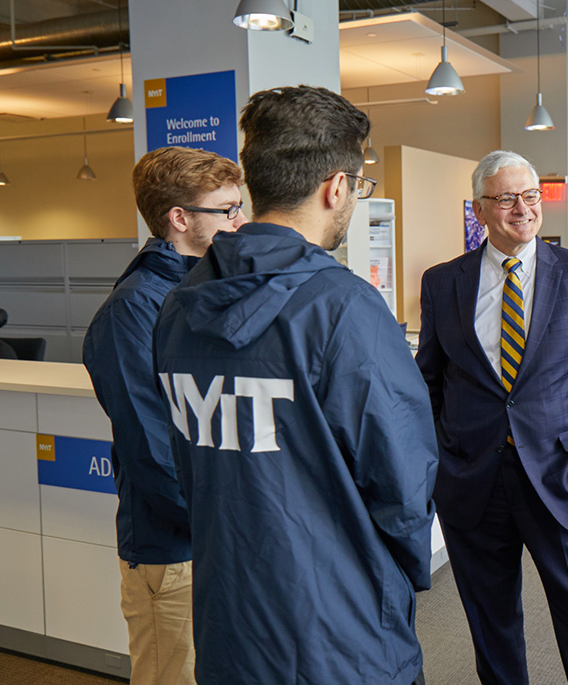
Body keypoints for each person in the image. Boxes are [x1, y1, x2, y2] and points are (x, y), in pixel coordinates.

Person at [152, 86, 437, 685]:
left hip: (231, 623)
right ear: (336, 186)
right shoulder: (344, 306)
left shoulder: (179, 305)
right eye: (358, 187)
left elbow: (188, 464)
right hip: (339, 633)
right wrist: (398, 580)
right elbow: (403, 483)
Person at [415, 150, 568, 684]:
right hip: (471, 480)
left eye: (531, 195)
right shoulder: (443, 281)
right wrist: (441, 461)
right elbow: (429, 382)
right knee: (492, 627)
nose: (523, 208)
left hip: (561, 479)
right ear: (479, 209)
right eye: (506, 198)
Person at [82, 146, 247, 685]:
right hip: (175, 548)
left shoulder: (205, 289)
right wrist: (222, 525)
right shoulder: (132, 310)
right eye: (227, 210)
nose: (240, 220)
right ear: (179, 218)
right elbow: (153, 450)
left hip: (220, 535)